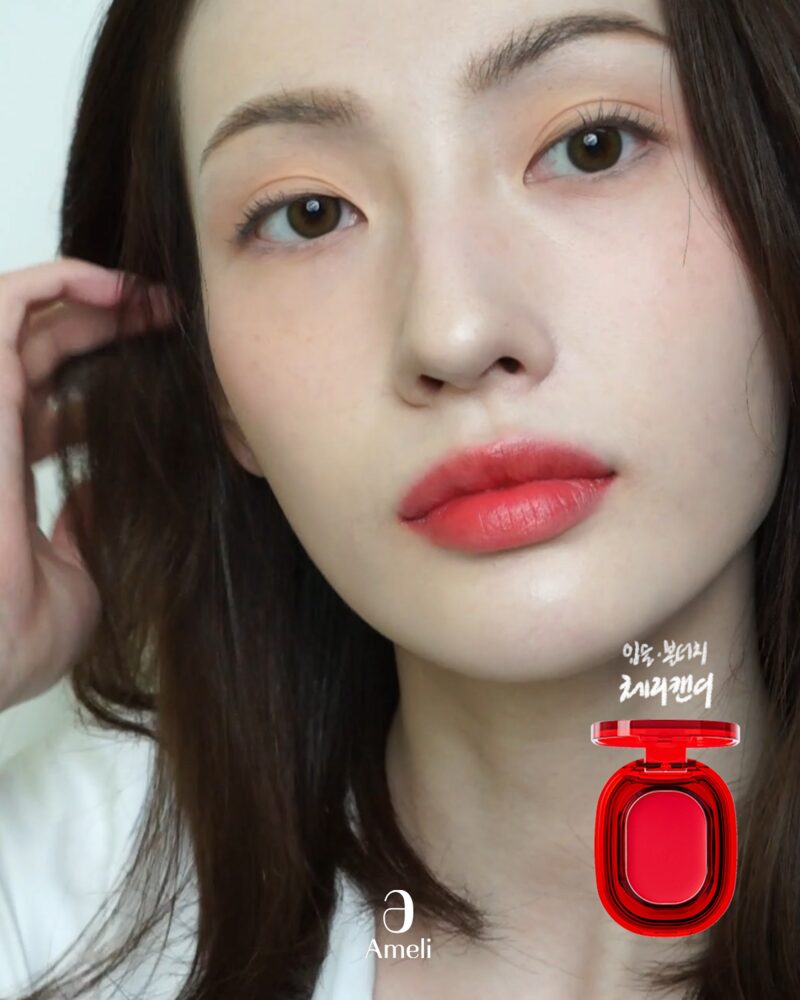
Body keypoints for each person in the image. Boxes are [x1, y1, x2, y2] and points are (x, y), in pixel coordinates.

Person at [1, 0, 799, 997]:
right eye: (308, 213)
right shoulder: (53, 906)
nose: (453, 333)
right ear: (214, 383)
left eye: (590, 146)